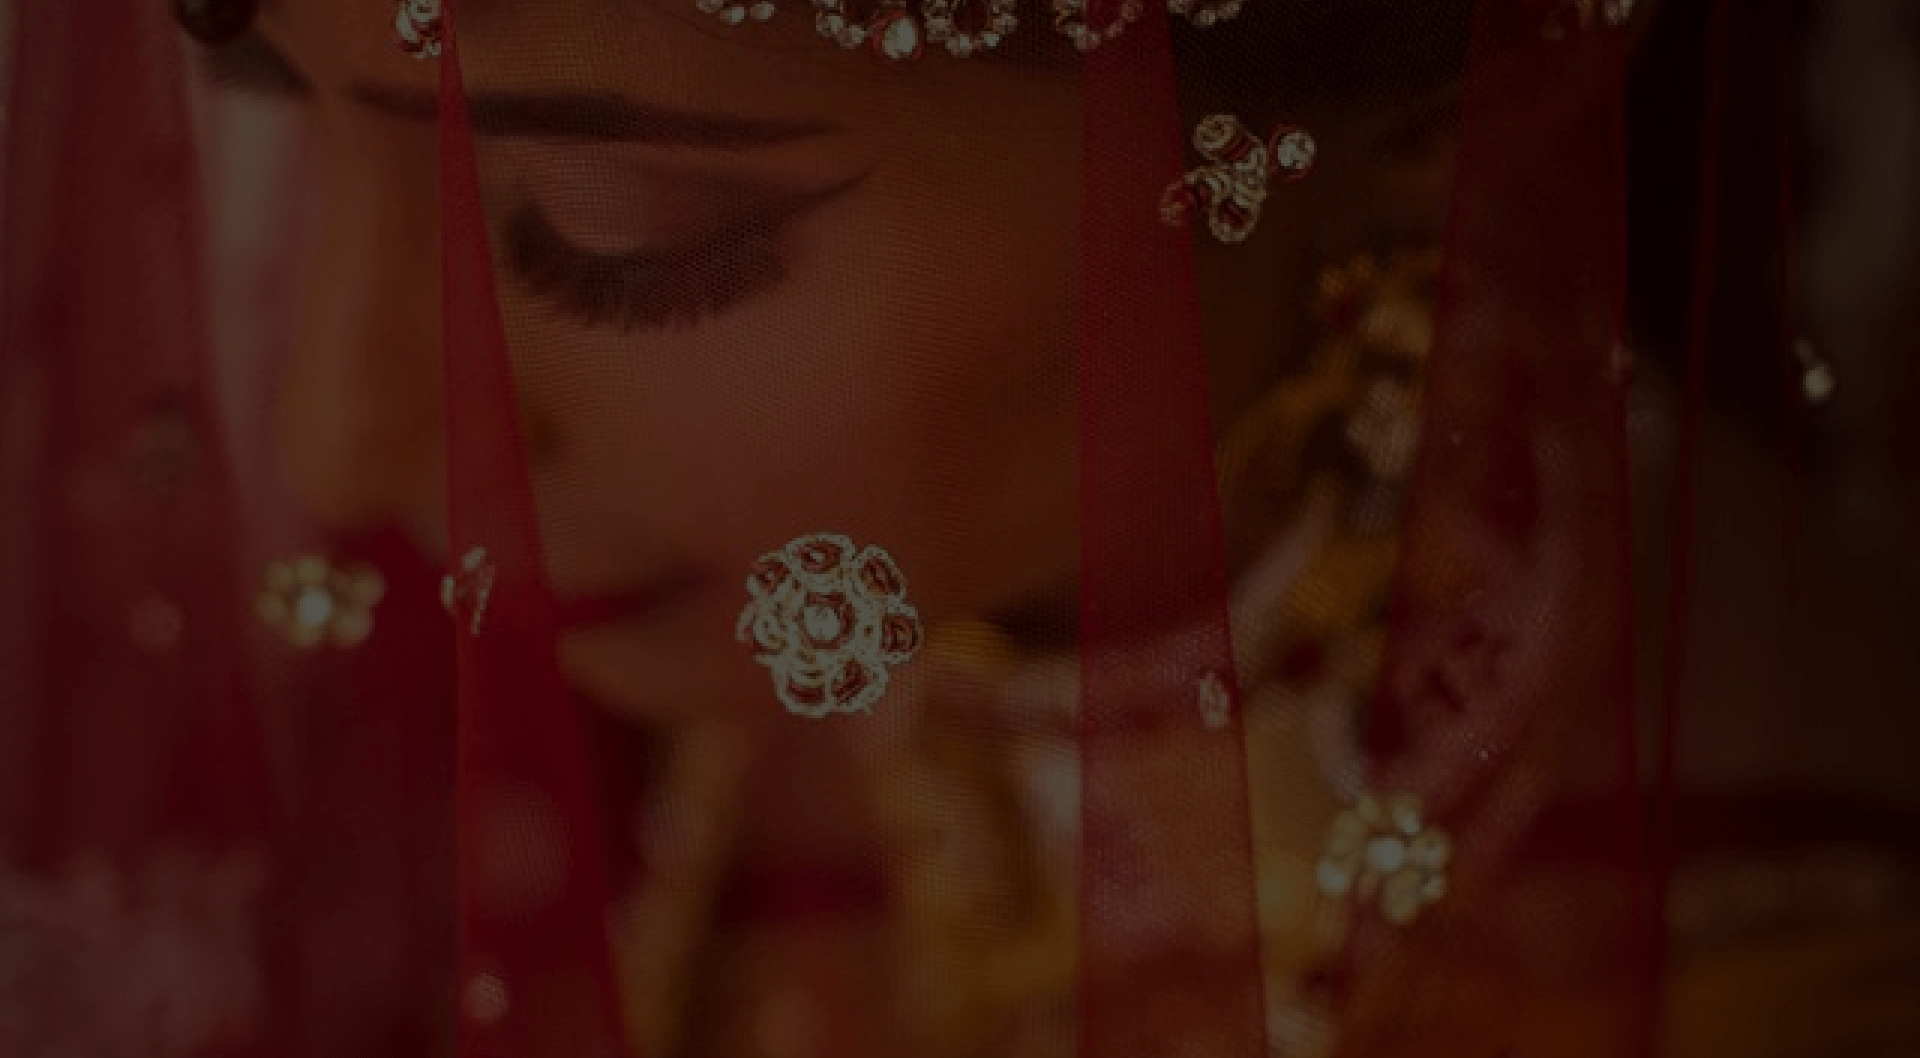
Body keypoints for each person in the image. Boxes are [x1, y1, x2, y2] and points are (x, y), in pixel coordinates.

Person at [3, 0, 1914, 1056]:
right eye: (274, 121)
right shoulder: (505, 698)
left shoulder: (1772, 971)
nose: (344, 440)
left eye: (613, 227)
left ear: (1476, 77)